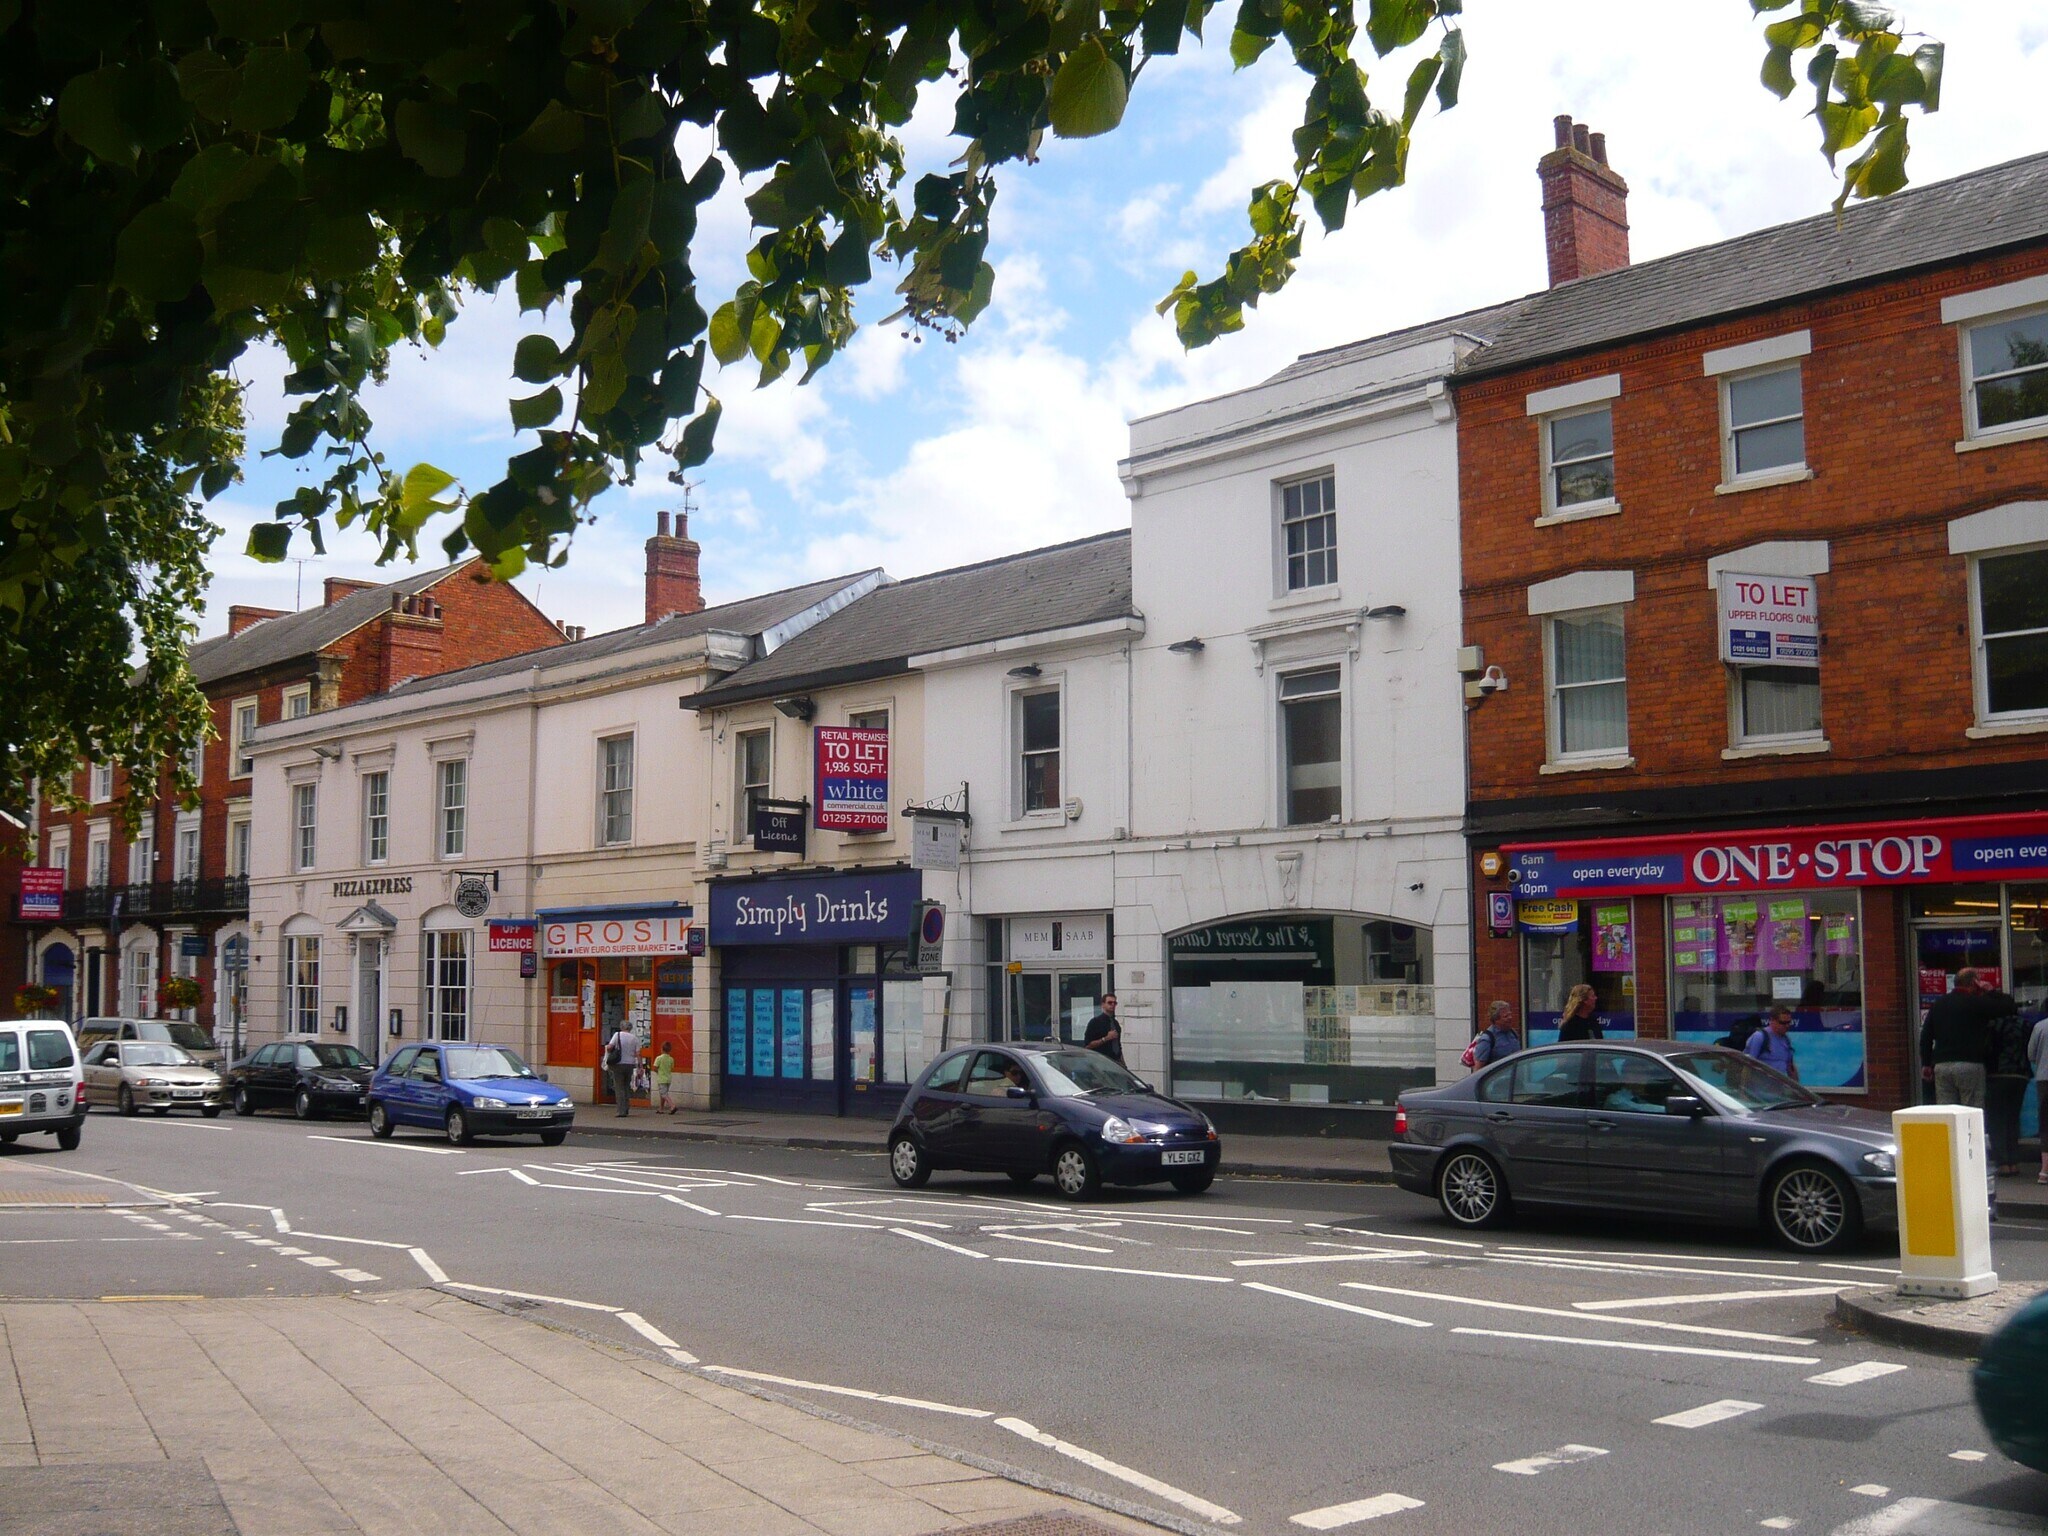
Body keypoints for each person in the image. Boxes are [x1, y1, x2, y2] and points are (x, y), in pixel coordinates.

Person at [1920, 967, 2003, 1108]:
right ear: (1975, 983)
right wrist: (1991, 991)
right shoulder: (1977, 1003)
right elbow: (2006, 1007)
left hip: (1942, 1065)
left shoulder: (1939, 1004)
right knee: (1971, 1109)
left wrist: (1926, 1063)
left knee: (1947, 1111)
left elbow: (1926, 1036)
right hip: (1970, 1063)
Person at [1986, 1004, 2031, 1176]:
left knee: (1997, 1119)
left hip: (1998, 1074)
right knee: (2013, 1118)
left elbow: (1986, 1049)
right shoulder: (2025, 1025)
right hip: (2020, 1075)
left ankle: (2003, 1162)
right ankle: (2014, 1161)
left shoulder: (1993, 1025)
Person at [1745, 1004, 1799, 1080]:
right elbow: (1747, 1065)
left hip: (1777, 1086)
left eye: (1789, 1022)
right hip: (1759, 1085)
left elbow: (1790, 1067)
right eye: (1783, 1023)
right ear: (1772, 1020)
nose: (1787, 1026)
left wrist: (1796, 1085)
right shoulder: (1759, 1037)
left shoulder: (1786, 1040)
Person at [2027, 1007, 2048, 1185]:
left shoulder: (2040, 1027)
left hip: (2044, 1078)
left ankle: (2044, 1171)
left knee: (2045, 1122)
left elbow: (2031, 1054)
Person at [1469, 1001, 1521, 1069]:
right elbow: (1478, 1068)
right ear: (1496, 1019)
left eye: (1510, 1014)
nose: (1510, 1018)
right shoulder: (1487, 1039)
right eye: (1506, 1016)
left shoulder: (1513, 1033)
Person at [605, 1021, 640, 1117]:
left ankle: (621, 1111)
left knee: (619, 1087)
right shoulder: (634, 1038)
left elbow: (610, 1047)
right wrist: (640, 1066)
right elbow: (638, 1054)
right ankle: (626, 1108)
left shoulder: (617, 1035)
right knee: (626, 1086)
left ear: (621, 1027)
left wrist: (608, 1048)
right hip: (630, 1064)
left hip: (619, 1064)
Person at [1083, 994, 1124, 1064]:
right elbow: (1088, 1045)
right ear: (1103, 1005)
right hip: (1100, 1061)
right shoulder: (1095, 1022)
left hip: (1115, 1062)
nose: (1113, 1005)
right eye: (1110, 1003)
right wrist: (1105, 1038)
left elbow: (1118, 1045)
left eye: (1115, 1003)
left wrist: (1123, 1063)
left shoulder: (1115, 1023)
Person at [652, 1039, 676, 1115]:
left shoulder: (659, 1058)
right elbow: (672, 1067)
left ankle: (672, 1106)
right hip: (668, 1078)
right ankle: (661, 1108)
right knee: (663, 1093)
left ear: (662, 1049)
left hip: (661, 1078)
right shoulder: (671, 1059)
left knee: (663, 1094)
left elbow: (655, 1068)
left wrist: (658, 1072)